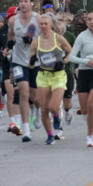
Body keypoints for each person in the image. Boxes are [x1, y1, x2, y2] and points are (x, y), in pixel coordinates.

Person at [28, 14, 72, 145]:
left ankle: (57, 116)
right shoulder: (36, 42)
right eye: (41, 24)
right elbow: (30, 63)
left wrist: (64, 61)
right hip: (43, 75)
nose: (43, 26)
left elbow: (71, 52)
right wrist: (32, 60)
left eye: (45, 24)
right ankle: (49, 134)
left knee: (53, 106)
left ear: (50, 25)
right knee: (44, 108)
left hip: (58, 75)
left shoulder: (59, 39)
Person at [69, 11, 93, 147]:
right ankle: (87, 116)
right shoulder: (82, 37)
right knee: (84, 109)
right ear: (86, 22)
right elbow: (72, 57)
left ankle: (90, 136)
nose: (91, 21)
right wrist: (85, 61)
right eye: (89, 19)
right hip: (84, 72)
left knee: (91, 104)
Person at [6, 0, 40, 141]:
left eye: (26, 1)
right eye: (21, 1)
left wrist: (34, 42)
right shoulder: (13, 20)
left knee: (35, 96)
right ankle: (26, 129)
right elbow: (11, 35)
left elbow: (45, 36)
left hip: (35, 61)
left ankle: (36, 111)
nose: (23, 4)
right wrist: (9, 45)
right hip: (18, 61)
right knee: (23, 92)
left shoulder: (37, 19)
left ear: (32, 4)